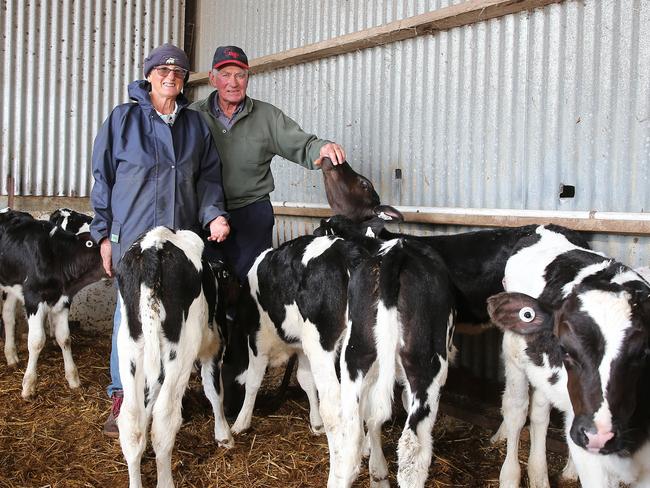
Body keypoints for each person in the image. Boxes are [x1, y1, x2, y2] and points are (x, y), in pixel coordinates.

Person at [89, 43, 230, 437]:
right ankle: (123, 396)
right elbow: (103, 180)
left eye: (179, 72)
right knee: (129, 319)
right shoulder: (123, 120)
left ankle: (169, 393)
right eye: (163, 70)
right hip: (131, 238)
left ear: (184, 80)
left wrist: (213, 214)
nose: (171, 76)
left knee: (175, 318)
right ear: (148, 74)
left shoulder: (194, 125)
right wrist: (102, 234)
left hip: (178, 242)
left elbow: (208, 180)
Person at [190, 45, 347, 281]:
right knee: (204, 286)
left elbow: (302, 144)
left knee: (251, 288)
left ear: (248, 78)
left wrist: (322, 147)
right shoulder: (194, 115)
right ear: (213, 79)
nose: (233, 82)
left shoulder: (267, 116)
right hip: (204, 214)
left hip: (251, 212)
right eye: (225, 75)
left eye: (240, 75)